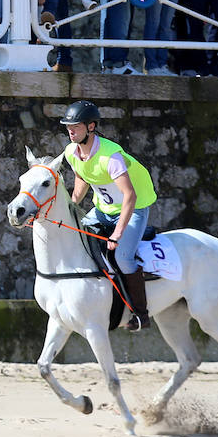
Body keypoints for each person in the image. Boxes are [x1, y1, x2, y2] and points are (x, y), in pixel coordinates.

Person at [59, 99, 159, 332]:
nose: (70, 130)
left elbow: (130, 196)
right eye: (67, 126)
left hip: (133, 208)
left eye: (76, 126)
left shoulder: (111, 156)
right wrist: (72, 206)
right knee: (78, 236)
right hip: (103, 209)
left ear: (91, 127)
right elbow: (82, 178)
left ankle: (141, 315)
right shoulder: (71, 152)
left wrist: (118, 233)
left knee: (124, 258)